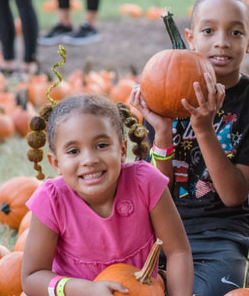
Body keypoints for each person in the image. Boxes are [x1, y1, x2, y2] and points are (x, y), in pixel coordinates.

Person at [130, 0, 249, 296]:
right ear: (190, 37)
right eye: (209, 30)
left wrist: (204, 129)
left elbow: (235, 195)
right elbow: (155, 191)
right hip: (158, 230)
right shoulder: (162, 92)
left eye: (235, 32)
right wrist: (163, 131)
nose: (221, 41)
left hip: (221, 236)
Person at [21, 95, 193, 296]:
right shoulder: (51, 200)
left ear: (121, 149)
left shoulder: (146, 182)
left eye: (101, 145)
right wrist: (87, 290)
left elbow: (178, 252)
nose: (90, 159)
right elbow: (32, 277)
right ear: (56, 163)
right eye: (74, 151)